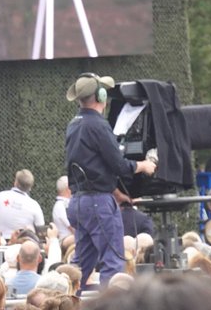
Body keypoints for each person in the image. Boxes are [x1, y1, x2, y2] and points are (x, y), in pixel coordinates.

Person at [63, 72, 154, 292]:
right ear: (101, 95)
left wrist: (116, 194)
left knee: (80, 267)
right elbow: (120, 166)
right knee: (113, 264)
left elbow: (90, 168)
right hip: (98, 204)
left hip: (79, 203)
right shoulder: (98, 125)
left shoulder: (74, 124)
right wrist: (144, 165)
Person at [0, 169, 45, 238]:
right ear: (30, 187)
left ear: (16, 182)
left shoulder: (1, 196)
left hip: (2, 241)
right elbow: (41, 228)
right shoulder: (34, 205)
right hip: (24, 244)